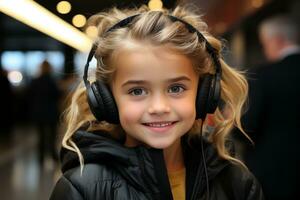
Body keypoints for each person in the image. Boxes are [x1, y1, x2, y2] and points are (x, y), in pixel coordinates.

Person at [50, 5, 264, 200]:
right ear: (107, 99)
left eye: (176, 88)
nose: (159, 107)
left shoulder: (237, 185)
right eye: (137, 91)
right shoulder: (81, 189)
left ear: (204, 93)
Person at [238, 15, 300, 199]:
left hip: (275, 174)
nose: (265, 50)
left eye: (265, 44)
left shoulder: (264, 76)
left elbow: (246, 127)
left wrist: (230, 121)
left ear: (277, 40)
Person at [28, 60, 61, 166]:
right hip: (51, 111)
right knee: (52, 136)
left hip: (39, 112)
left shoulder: (35, 81)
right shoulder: (52, 81)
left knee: (41, 136)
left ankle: (41, 158)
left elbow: (30, 96)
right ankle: (53, 155)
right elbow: (57, 95)